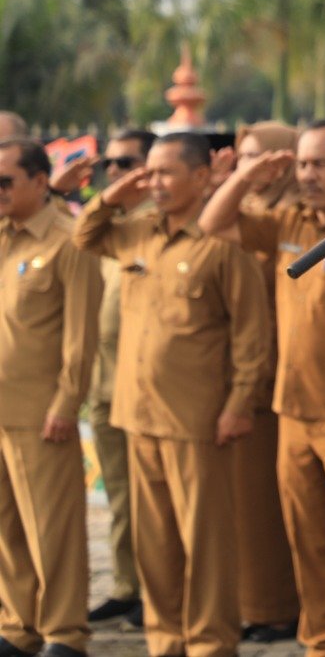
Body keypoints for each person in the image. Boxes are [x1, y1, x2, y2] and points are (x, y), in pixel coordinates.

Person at [73, 131, 272, 657]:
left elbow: (253, 338)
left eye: (164, 173)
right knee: (153, 543)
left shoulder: (222, 246)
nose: (152, 183)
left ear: (202, 176)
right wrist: (111, 198)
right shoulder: (137, 232)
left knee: (205, 542)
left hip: (198, 421)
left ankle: (210, 643)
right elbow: (85, 237)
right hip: (138, 415)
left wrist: (237, 405)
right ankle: (166, 640)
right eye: (149, 173)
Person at [200, 119, 325, 657]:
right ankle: (321, 641)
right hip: (293, 410)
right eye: (301, 164)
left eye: (320, 164)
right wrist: (247, 174)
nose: (307, 175)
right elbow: (214, 223)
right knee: (309, 540)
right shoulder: (292, 222)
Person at [0, 138, 102, 657]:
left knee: (52, 528)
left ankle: (64, 631)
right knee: (6, 527)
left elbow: (81, 339)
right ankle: (19, 625)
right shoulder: (3, 236)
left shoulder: (68, 240)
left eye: (5, 181)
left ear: (41, 182)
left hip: (41, 411)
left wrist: (67, 403)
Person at [50, 128, 156, 629]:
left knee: (153, 501)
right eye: (109, 164)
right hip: (104, 384)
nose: (115, 172)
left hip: (151, 391)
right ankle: (126, 585)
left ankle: (156, 591)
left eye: (127, 162)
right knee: (119, 497)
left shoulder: (153, 225)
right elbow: (77, 235)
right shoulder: (107, 228)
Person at [226, 123, 301, 643]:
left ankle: (284, 607)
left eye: (261, 157)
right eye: (243, 157)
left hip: (284, 370)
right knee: (247, 504)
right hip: (241, 371)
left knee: (281, 507)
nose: (251, 167)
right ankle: (255, 604)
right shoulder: (245, 211)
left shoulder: (294, 215)